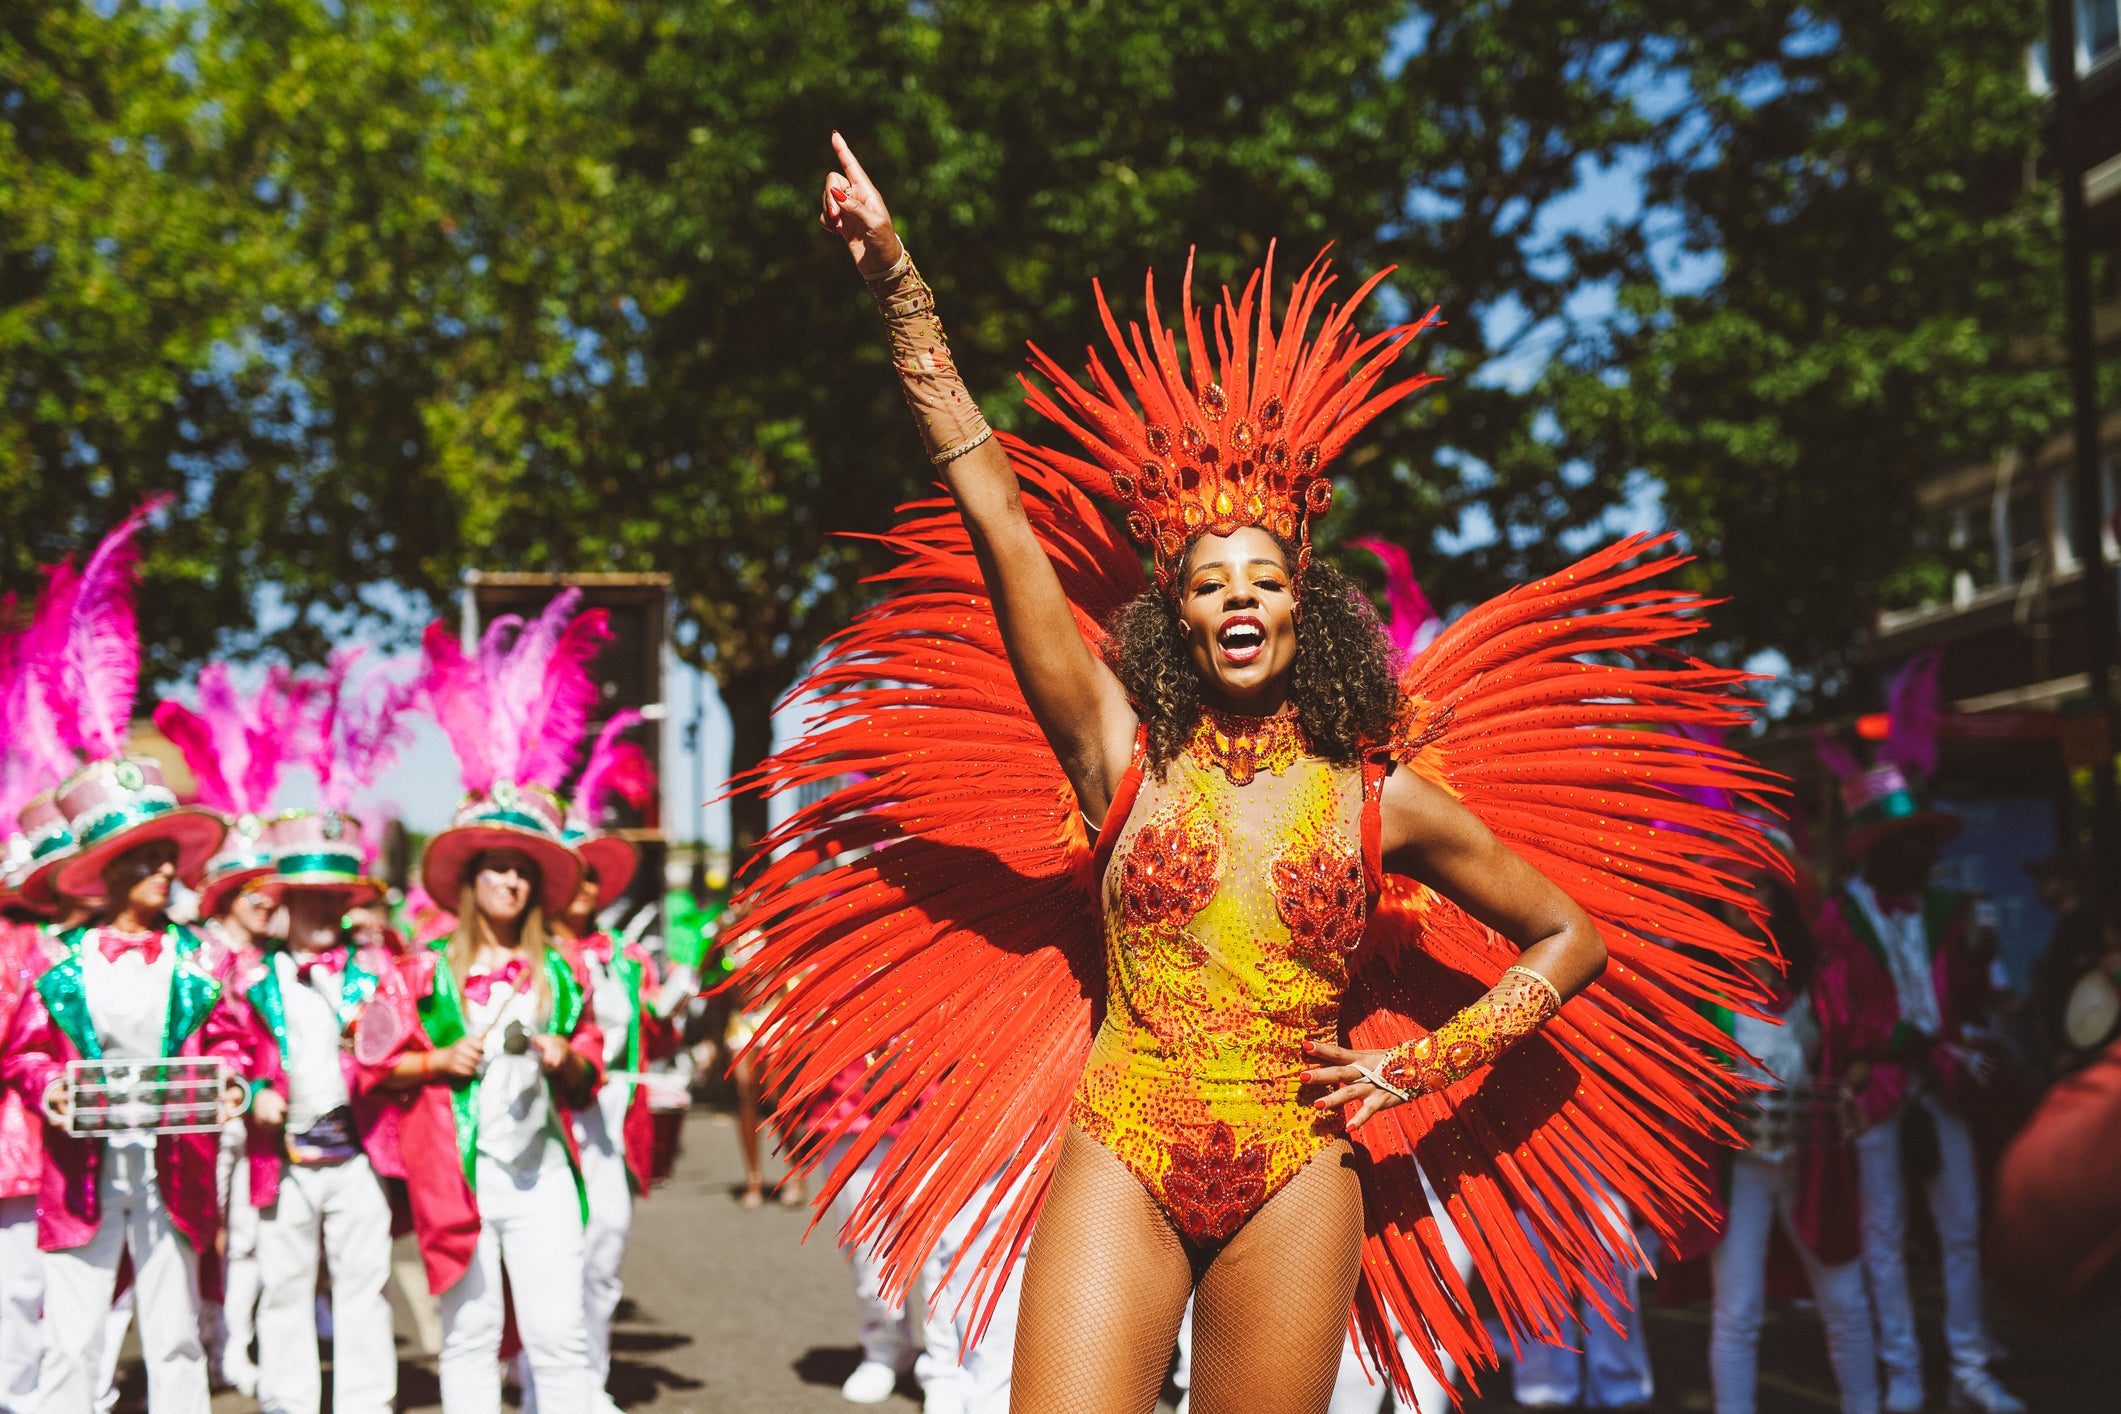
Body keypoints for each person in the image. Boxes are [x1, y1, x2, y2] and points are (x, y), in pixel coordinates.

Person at [734, 135, 1777, 1414]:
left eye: (1264, 581)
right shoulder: (1117, 755)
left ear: (1304, 606)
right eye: (1211, 584)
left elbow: (1570, 935)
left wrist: (1422, 1063)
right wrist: (901, 288)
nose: (1239, 601)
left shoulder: (1379, 797)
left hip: (1301, 1171)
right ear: (1173, 615)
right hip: (1122, 1146)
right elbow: (1000, 521)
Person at [356, 590, 609, 1414]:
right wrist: (437, 1058)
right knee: (467, 1335)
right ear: (469, 881)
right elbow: (366, 1059)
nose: (508, 878)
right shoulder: (419, 969)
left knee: (560, 1336)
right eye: (494, 866)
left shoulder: (564, 972)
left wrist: (568, 1058)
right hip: (455, 1178)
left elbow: (593, 1060)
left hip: (541, 1177)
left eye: (522, 868)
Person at [3, 755, 256, 1414]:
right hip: (81, 1169)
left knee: (174, 1335)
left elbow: (233, 1044)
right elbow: (25, 1055)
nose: (167, 871)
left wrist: (231, 1081)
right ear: (111, 869)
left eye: (169, 858)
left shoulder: (203, 959)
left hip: (175, 1164)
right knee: (71, 1333)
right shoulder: (59, 962)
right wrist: (52, 1089)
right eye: (148, 858)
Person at [1813, 764, 2022, 1414]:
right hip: (1875, 1087)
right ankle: (1900, 1372)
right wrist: (1884, 1043)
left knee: (1959, 1228)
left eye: (1928, 843)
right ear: (1877, 851)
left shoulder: (1951, 914)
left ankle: (1968, 1368)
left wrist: (1983, 966)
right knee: (1883, 1236)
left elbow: (1978, 1000)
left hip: (1946, 1080)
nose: (1928, 857)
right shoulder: (1838, 917)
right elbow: (1832, 1007)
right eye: (1911, 843)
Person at [233, 810, 402, 1414]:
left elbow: (404, 1043)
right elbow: (228, 1046)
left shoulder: (378, 972)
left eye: (335, 897)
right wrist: (255, 1092)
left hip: (360, 1151)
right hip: (285, 1157)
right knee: (284, 1284)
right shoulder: (250, 977)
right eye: (312, 898)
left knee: (364, 1283)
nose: (325, 911)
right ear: (286, 903)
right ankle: (288, 1401)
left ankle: (366, 1401)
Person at [1711, 866, 1878, 1414]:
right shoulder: (1700, 980)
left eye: (1755, 884)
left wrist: (1853, 1093)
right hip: (1741, 1168)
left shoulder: (1820, 979)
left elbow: (1859, 1051)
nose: (1745, 899)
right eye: (1731, 886)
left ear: (1779, 897)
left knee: (1845, 1300)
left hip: (1817, 1160)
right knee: (1738, 1310)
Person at [554, 712, 676, 1414]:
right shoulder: (536, 959)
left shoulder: (626, 960)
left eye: (594, 875)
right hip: (546, 1116)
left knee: (604, 1244)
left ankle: (587, 1374)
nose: (587, 886)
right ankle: (548, 1370)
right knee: (551, 1249)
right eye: (574, 873)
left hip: (612, 1116)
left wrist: (668, 1016)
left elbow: (650, 1039)